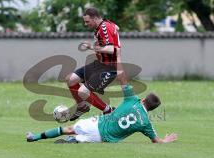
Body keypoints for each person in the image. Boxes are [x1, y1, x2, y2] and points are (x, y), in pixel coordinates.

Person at [26, 72, 177, 144]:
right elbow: (156, 140)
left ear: (143, 99)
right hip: (102, 139)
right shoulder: (146, 123)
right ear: (151, 109)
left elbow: (122, 78)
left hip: (97, 124)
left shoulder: (132, 99)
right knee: (80, 139)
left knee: (68, 128)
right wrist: (166, 140)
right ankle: (73, 141)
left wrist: (114, 69)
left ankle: (35, 137)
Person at [66, 7, 122, 120]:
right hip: (99, 64)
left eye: (87, 21)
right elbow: (116, 27)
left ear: (95, 18)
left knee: (83, 91)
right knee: (71, 79)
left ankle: (108, 110)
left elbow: (112, 49)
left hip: (109, 68)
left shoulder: (104, 28)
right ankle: (82, 107)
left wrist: (92, 47)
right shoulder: (104, 25)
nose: (86, 24)